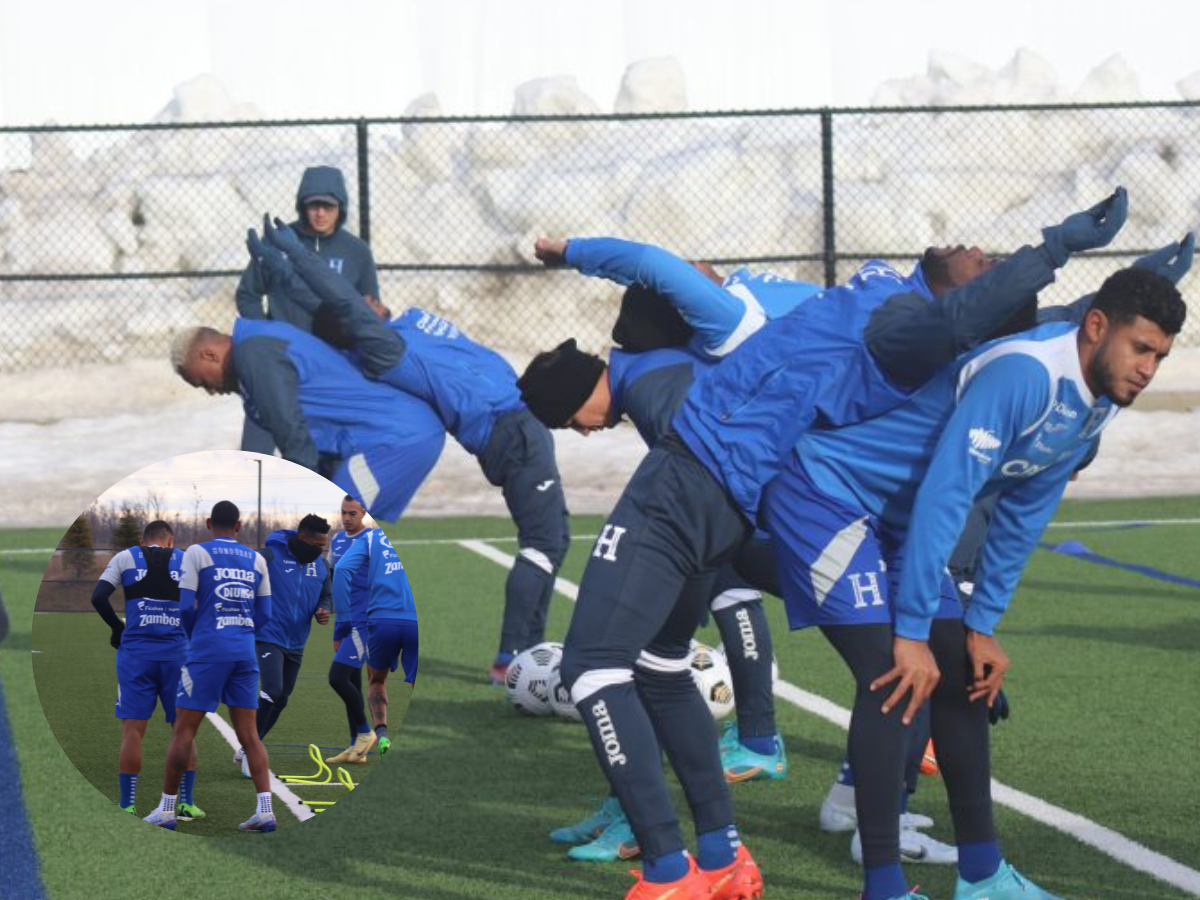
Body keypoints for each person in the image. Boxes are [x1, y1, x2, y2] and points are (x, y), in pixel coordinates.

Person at [535, 192, 1127, 900]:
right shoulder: (888, 293)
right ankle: (724, 854)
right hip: (744, 495)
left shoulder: (908, 334)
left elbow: (655, 264)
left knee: (596, 667)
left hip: (721, 484)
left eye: (988, 266)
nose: (978, 249)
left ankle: (676, 862)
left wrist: (1054, 249)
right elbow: (1043, 325)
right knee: (662, 663)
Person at [762, 263, 1185, 900]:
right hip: (830, 497)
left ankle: (982, 876)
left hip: (899, 522)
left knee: (962, 673)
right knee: (892, 673)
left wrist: (982, 624)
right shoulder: (1025, 373)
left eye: (1161, 356)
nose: (1148, 369)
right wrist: (909, 632)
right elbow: (947, 493)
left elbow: (1022, 512)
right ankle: (883, 886)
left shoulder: (1097, 403)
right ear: (1097, 327)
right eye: (1141, 348)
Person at [249, 217, 570, 684]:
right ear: (354, 321)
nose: (368, 298)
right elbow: (332, 297)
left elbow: (325, 305)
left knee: (553, 539)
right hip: (510, 432)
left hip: (520, 426)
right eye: (359, 304)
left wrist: (281, 267)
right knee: (543, 544)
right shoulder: (383, 346)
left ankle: (526, 653)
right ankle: (512, 660)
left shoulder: (402, 324)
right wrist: (292, 256)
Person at [170, 318, 445, 523]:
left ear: (208, 355)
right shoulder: (258, 341)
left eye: (201, 381)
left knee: (326, 533)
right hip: (392, 435)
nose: (210, 391)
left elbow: (292, 432)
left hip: (395, 439)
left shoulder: (254, 356)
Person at [143, 501, 275, 832]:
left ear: (207, 522)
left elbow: (186, 608)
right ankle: (265, 811)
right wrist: (242, 633)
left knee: (184, 730)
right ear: (239, 526)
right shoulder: (257, 559)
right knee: (250, 735)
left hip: (206, 650)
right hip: (245, 653)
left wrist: (198, 636)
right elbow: (266, 614)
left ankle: (167, 810)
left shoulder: (197, 554)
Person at [235, 165, 381, 455]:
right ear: (302, 205)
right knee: (256, 453)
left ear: (341, 207)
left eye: (328, 206)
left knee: (323, 453)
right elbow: (248, 294)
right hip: (278, 360)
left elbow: (369, 311)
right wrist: (265, 335)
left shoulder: (356, 251)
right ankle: (248, 497)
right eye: (313, 205)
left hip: (329, 366)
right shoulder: (278, 241)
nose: (320, 213)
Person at [90, 520, 203, 821]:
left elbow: (98, 597)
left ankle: (127, 805)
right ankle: (186, 803)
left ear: (143, 541)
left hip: (136, 656)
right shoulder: (185, 559)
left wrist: (118, 628)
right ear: (170, 541)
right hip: (177, 657)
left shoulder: (125, 557)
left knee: (133, 731)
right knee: (183, 731)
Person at [232, 514, 332, 777]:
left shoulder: (320, 565)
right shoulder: (270, 556)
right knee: (273, 689)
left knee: (283, 698)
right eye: (317, 544)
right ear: (302, 538)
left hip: (297, 641)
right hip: (268, 635)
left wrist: (324, 609)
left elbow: (326, 594)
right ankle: (252, 750)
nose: (320, 550)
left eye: (324, 545)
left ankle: (248, 745)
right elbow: (242, 581)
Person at [333, 526, 418, 756]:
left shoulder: (372, 538)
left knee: (376, 680)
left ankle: (381, 735)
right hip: (417, 620)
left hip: (382, 621)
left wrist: (342, 621)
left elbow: (341, 569)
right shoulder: (419, 533)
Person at [324, 495, 377, 764]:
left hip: (364, 622)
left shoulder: (373, 541)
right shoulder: (337, 540)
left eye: (352, 513)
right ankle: (355, 748)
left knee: (337, 677)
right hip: (347, 620)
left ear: (364, 513)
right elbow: (334, 578)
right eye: (343, 512)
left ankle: (366, 733)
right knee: (351, 680)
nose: (346, 518)